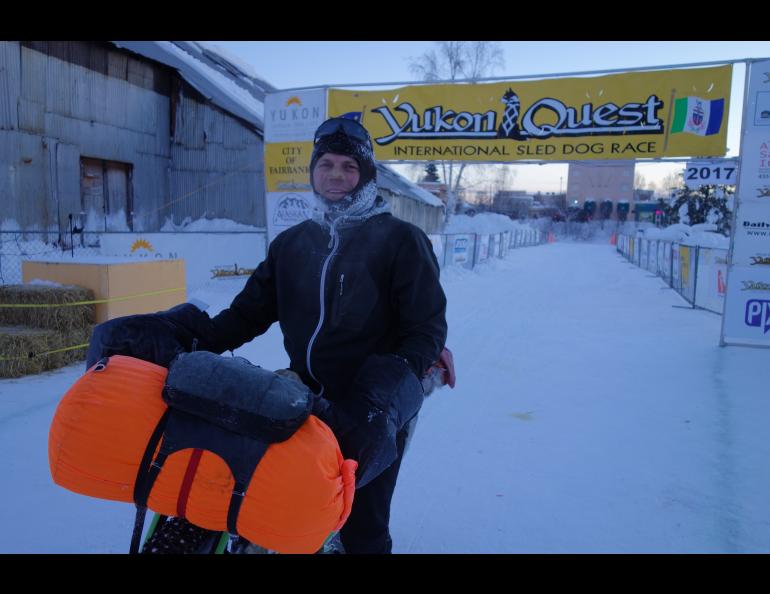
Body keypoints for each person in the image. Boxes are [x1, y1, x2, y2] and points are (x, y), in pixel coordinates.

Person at [205, 117, 448, 554]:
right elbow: (244, 317)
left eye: (349, 167)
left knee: (362, 520)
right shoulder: (293, 243)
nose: (336, 175)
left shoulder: (401, 241)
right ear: (313, 172)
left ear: (367, 175)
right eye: (327, 164)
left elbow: (426, 329)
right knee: (280, 497)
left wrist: (385, 389)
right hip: (303, 396)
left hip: (376, 406)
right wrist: (185, 336)